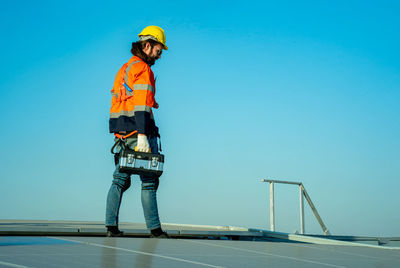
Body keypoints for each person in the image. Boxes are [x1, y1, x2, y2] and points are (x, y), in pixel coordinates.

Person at [105, 26, 169, 238]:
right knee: (149, 182)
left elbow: (118, 104)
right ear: (148, 45)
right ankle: (155, 230)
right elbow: (141, 105)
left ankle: (111, 227)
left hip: (122, 133)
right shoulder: (143, 69)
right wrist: (143, 135)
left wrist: (119, 133)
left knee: (119, 180)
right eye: (158, 51)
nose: (159, 57)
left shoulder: (124, 69)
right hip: (138, 132)